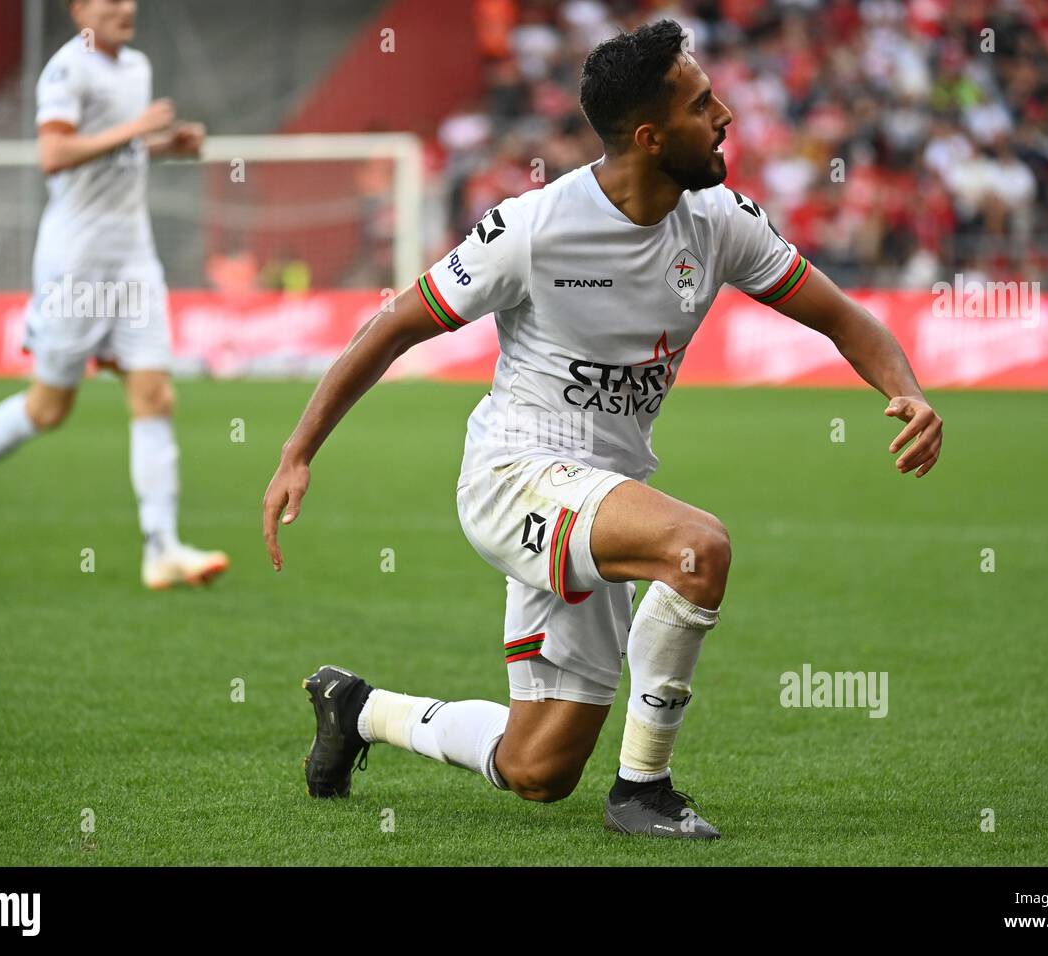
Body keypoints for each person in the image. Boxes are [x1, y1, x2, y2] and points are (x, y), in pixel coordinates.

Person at [262, 20, 943, 839]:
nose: (726, 113)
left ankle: (358, 709)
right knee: (699, 550)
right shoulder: (536, 227)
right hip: (515, 476)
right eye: (703, 103)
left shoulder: (720, 221)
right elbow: (393, 324)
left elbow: (843, 318)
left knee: (537, 768)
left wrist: (906, 391)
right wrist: (297, 452)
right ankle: (644, 792)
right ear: (651, 137)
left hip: (605, 492)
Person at [0, 0, 228, 590]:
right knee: (49, 408)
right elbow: (54, 155)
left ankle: (161, 547)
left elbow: (115, 154)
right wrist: (135, 130)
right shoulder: (67, 69)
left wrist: (163, 146)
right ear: (78, 9)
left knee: (155, 395)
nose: (125, 8)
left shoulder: (134, 67)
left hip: (132, 259)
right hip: (75, 265)